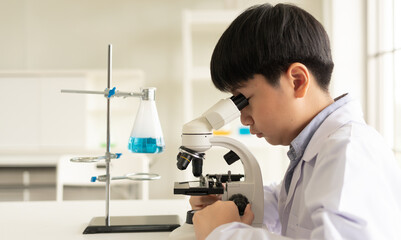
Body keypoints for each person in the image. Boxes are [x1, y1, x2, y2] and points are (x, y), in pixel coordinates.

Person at [190, 3, 401, 240]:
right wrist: (230, 202)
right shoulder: (318, 149)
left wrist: (224, 233)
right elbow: (289, 207)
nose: (243, 116)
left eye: (244, 100)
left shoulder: (348, 152)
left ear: (297, 81)